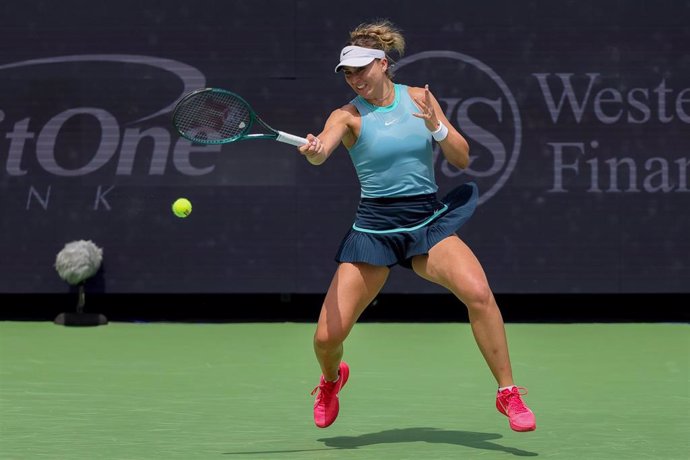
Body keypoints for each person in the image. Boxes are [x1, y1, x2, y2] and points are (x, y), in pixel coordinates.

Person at [298, 19, 536, 433]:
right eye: (347, 73)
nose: (354, 79)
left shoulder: (421, 99)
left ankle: (508, 393)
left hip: (426, 223)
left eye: (361, 69)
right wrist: (316, 150)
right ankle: (332, 381)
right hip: (374, 231)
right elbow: (323, 151)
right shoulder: (347, 116)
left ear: (383, 63)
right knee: (325, 340)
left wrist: (436, 126)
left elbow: (461, 158)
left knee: (479, 294)